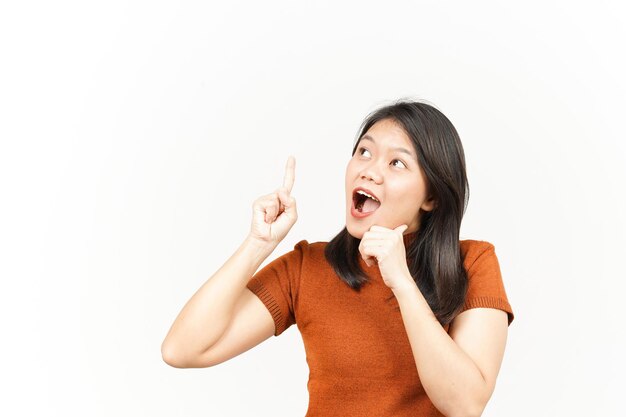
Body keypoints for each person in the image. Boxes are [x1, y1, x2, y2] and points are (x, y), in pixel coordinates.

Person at [161, 99, 515, 417]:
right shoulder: (307, 268)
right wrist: (257, 244)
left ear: (432, 197)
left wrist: (402, 284)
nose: (370, 170)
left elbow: (465, 405)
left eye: (397, 163)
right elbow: (182, 350)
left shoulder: (472, 262)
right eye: (364, 152)